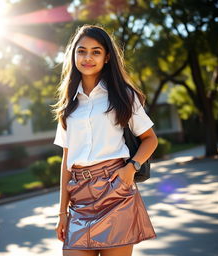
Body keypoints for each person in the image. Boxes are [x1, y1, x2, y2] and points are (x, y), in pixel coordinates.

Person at [53, 24, 158, 256]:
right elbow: (66, 161)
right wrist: (62, 213)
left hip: (115, 190)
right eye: (81, 51)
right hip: (79, 198)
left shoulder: (123, 96)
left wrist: (132, 168)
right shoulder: (68, 106)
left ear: (107, 57)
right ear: (73, 55)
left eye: (96, 51)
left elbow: (150, 139)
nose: (87, 57)